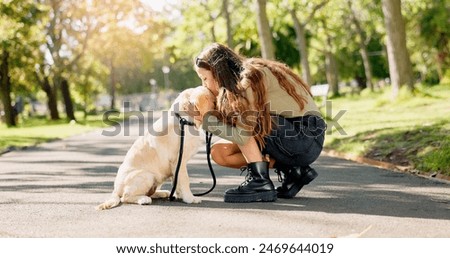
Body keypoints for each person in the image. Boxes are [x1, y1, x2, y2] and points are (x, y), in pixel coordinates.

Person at [187, 43, 326, 203]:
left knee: (246, 121)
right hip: (294, 137)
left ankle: (260, 183)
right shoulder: (241, 81)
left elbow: (242, 134)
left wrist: (207, 121)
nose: (204, 85)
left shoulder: (250, 78)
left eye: (205, 79)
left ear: (218, 73)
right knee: (220, 152)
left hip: (304, 137)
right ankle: (294, 170)